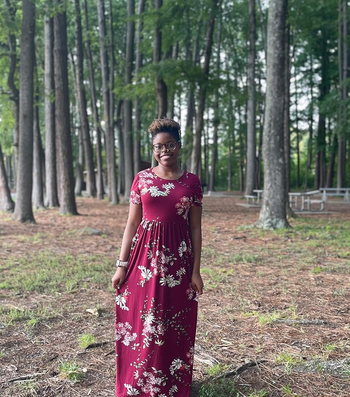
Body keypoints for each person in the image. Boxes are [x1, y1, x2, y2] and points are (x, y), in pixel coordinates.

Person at [112, 118, 204, 397]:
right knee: (144, 319)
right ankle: (138, 383)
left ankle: (170, 385)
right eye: (158, 147)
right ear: (153, 149)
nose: (165, 151)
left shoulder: (191, 182)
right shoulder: (142, 178)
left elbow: (196, 228)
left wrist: (196, 271)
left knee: (173, 320)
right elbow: (131, 223)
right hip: (143, 259)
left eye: (170, 145)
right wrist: (121, 265)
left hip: (178, 260)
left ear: (179, 146)